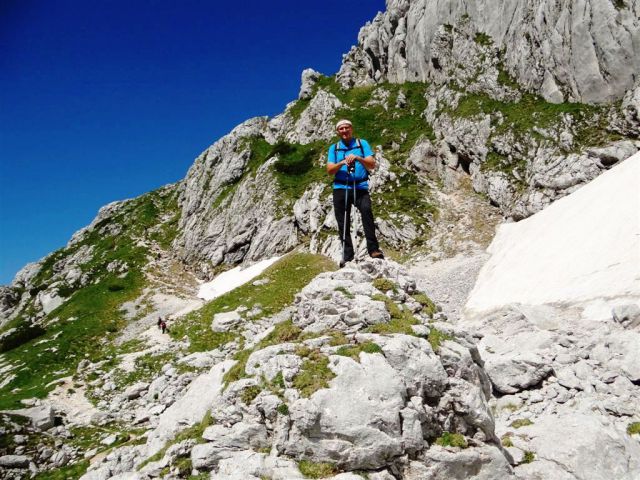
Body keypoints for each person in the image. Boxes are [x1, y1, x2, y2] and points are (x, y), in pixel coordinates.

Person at [327, 119, 384, 267]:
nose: (344, 131)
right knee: (343, 221)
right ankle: (347, 254)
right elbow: (329, 170)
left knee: (367, 212)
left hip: (360, 186)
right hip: (341, 187)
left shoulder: (361, 144)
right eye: (341, 129)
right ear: (337, 132)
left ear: (351, 129)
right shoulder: (334, 148)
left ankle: (373, 249)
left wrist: (357, 158)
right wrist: (342, 163)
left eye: (347, 128)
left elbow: (371, 164)